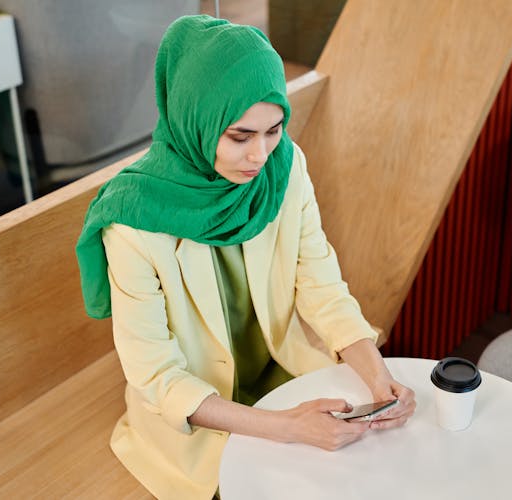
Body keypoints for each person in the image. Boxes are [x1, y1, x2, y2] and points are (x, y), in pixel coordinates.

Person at [76, 15, 415, 500]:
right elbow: (156, 375)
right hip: (204, 410)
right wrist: (287, 427)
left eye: (274, 129)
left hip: (283, 374)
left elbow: (320, 283)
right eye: (240, 136)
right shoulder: (133, 220)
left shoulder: (286, 167)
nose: (260, 155)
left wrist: (379, 377)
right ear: (196, 118)